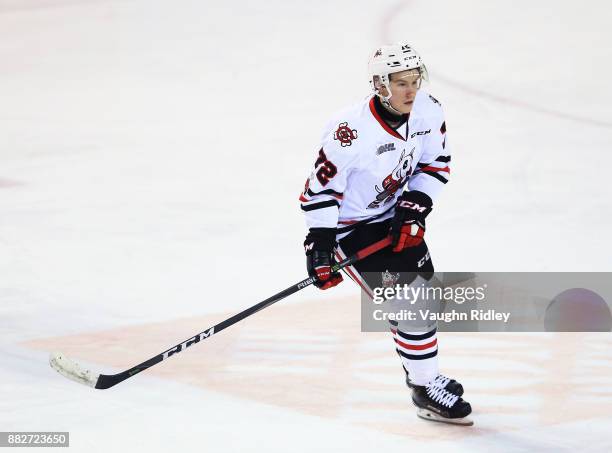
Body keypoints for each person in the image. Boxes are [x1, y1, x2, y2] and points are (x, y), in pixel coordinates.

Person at [299, 42, 472, 425]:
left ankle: (422, 372)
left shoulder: (429, 109)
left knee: (424, 298)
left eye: (415, 80)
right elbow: (320, 191)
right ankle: (426, 388)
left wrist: (415, 205)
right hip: (352, 229)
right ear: (380, 84)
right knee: (411, 306)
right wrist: (321, 246)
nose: (411, 90)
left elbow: (435, 164)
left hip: (394, 216)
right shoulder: (349, 131)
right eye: (401, 83)